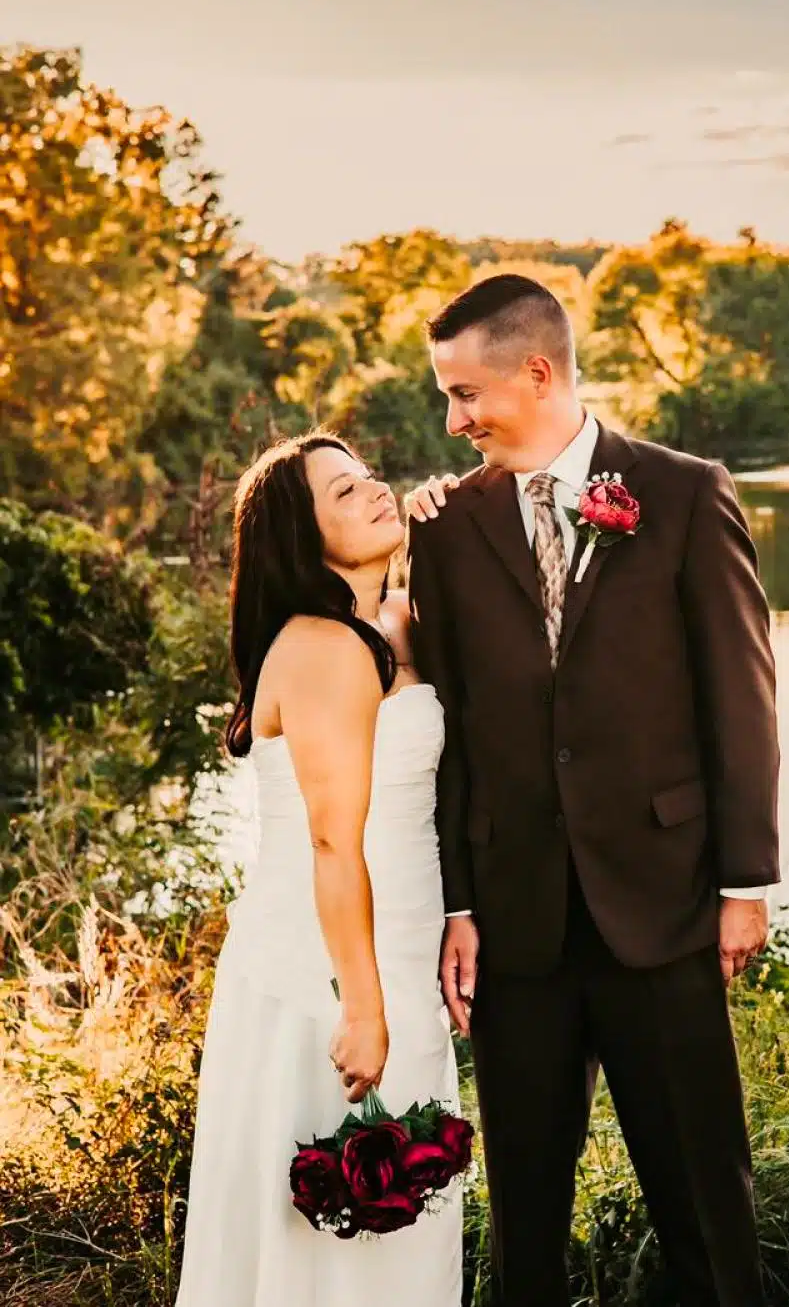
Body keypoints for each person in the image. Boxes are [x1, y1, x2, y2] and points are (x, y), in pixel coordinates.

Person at [405, 273, 780, 1307]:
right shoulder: (443, 526)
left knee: (706, 1199)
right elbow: (449, 730)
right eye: (448, 396)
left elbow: (740, 700)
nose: (455, 418)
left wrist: (745, 879)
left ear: (537, 372)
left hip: (662, 902)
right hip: (516, 928)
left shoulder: (687, 493)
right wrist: (458, 900)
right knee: (525, 1219)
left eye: (467, 393)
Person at [176, 433, 461, 1307]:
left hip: (399, 947)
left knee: (392, 1232)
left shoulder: (393, 624)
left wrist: (459, 519)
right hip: (332, 968)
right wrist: (366, 1006)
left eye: (370, 476)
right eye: (344, 493)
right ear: (303, 540)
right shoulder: (322, 647)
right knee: (331, 1244)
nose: (375, 490)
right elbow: (335, 842)